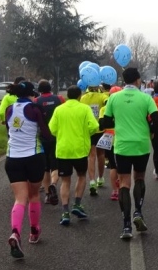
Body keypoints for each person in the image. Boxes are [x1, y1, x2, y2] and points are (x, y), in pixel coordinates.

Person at [100, 67, 158, 240]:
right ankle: (138, 212)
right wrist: (151, 130)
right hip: (141, 144)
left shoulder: (114, 98)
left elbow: (107, 121)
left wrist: (119, 121)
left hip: (122, 146)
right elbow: (157, 120)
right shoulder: (146, 98)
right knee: (139, 178)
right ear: (137, 80)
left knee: (124, 183)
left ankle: (126, 225)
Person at [4, 81, 51, 259]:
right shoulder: (35, 108)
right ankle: (34, 231)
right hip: (33, 156)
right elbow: (45, 133)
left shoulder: (9, 109)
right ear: (32, 94)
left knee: (19, 198)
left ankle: (15, 232)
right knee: (33, 195)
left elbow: (9, 131)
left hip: (13, 158)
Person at [49, 85, 100, 226]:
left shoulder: (59, 109)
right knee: (81, 176)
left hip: (63, 149)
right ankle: (77, 204)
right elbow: (94, 126)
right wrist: (85, 134)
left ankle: (65, 212)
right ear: (79, 96)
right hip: (80, 149)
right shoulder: (85, 109)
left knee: (65, 181)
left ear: (67, 95)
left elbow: (52, 128)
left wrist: (61, 134)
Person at [34, 79, 65, 206]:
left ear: (39, 90)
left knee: (45, 167)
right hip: (57, 136)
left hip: (42, 136)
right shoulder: (59, 99)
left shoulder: (36, 101)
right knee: (55, 164)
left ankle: (47, 194)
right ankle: (54, 184)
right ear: (50, 88)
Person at [80, 84, 109, 196]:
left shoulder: (83, 97)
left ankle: (92, 181)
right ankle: (100, 178)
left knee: (91, 156)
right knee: (101, 155)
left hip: (88, 130)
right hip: (100, 129)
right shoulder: (102, 96)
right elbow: (108, 102)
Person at [99, 85, 123, 200]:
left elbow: (101, 125)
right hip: (122, 138)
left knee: (113, 165)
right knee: (123, 165)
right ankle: (122, 187)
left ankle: (114, 191)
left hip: (109, 138)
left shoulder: (104, 109)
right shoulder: (124, 107)